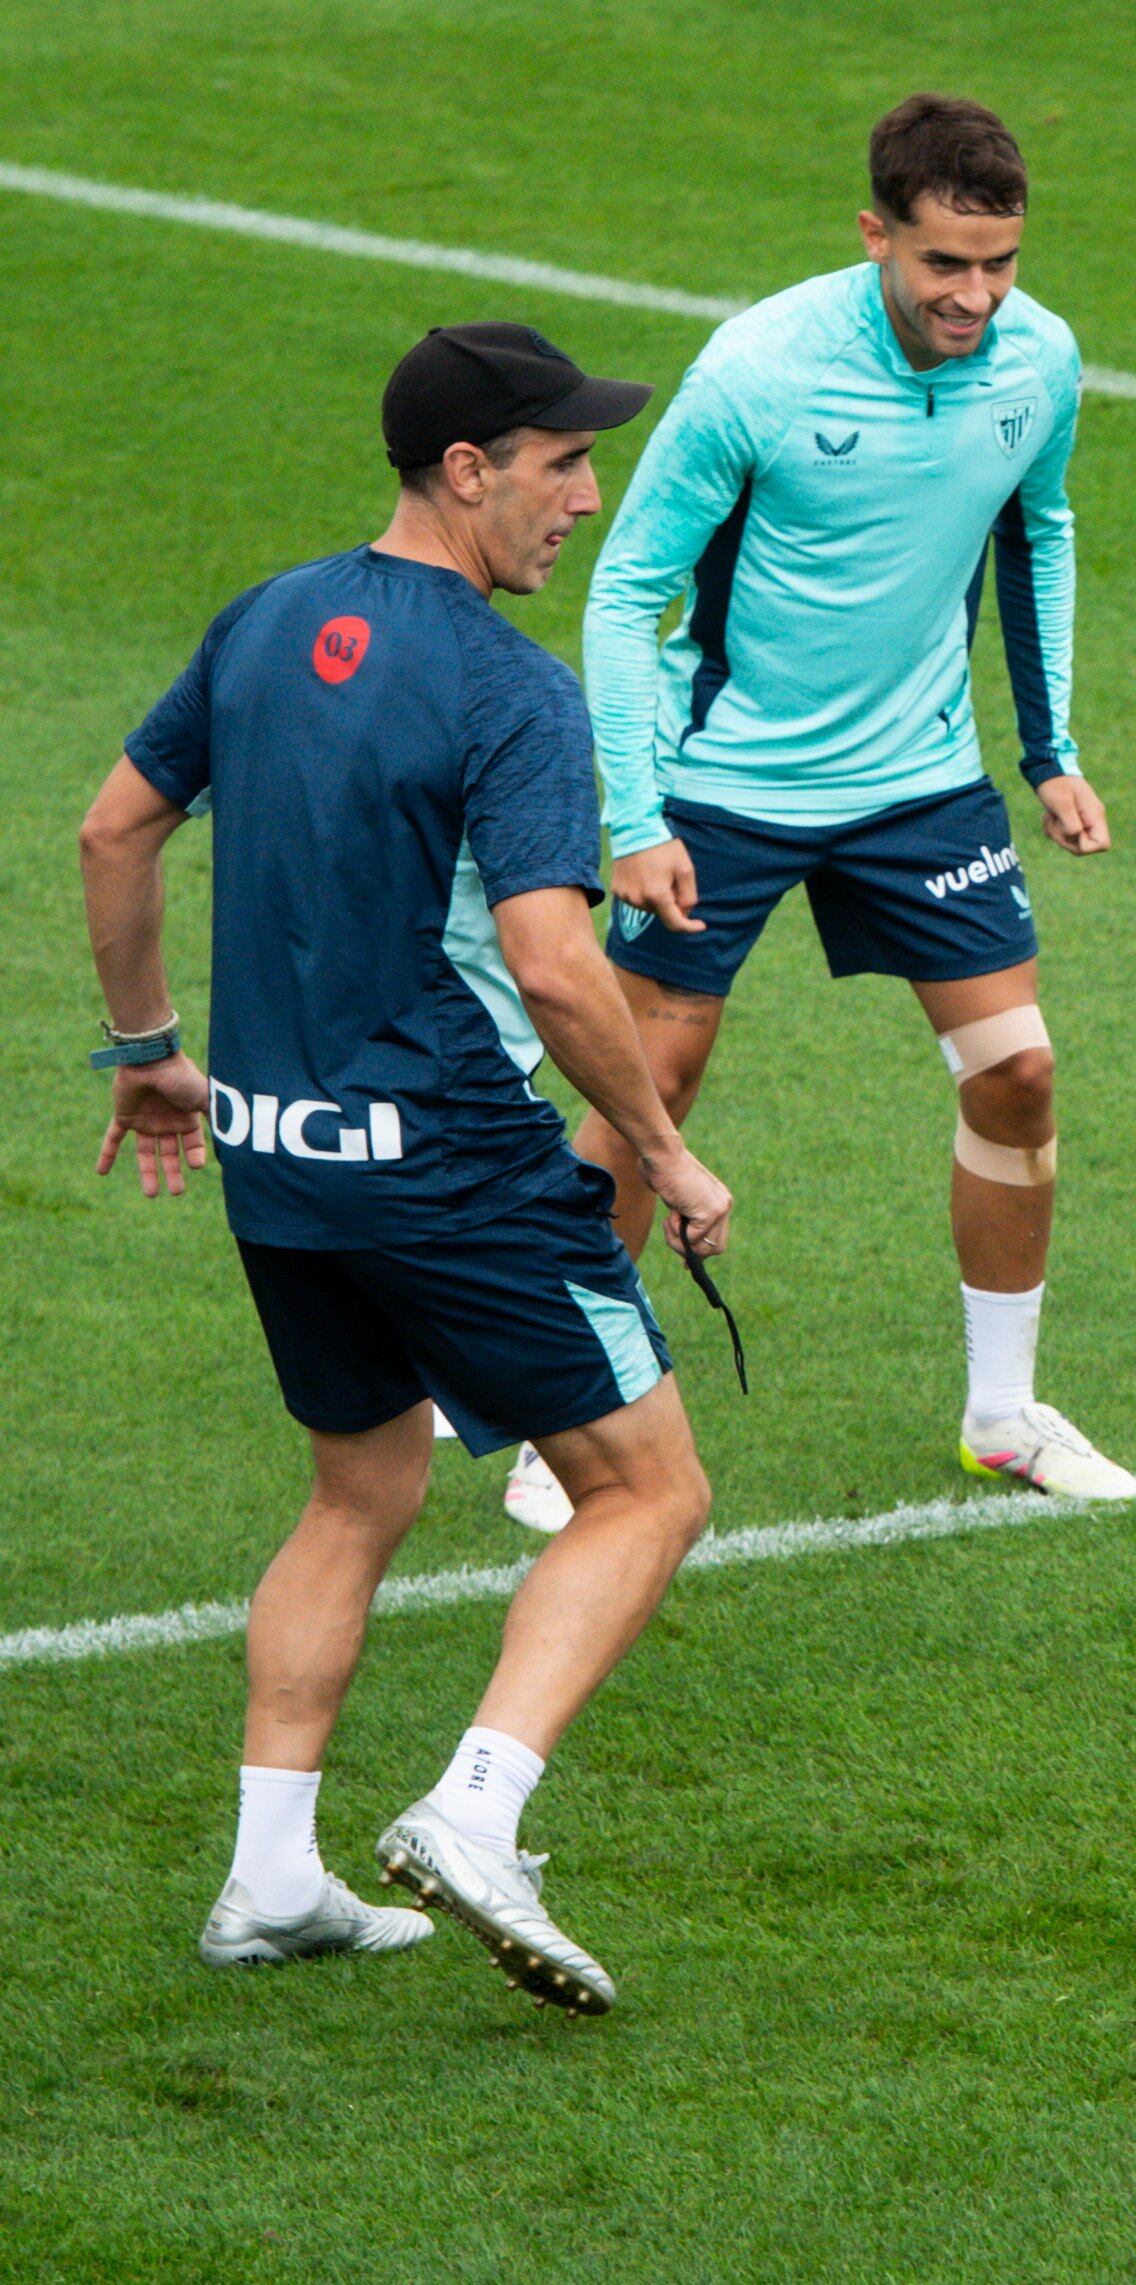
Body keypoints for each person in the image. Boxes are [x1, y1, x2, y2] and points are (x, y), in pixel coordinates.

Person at [81, 322, 730, 2015]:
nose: (585, 498)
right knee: (649, 1489)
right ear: (467, 469)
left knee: (360, 1491)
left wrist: (150, 1051)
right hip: (444, 1153)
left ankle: (270, 1879)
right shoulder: (512, 685)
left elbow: (114, 828)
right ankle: (478, 1808)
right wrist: (661, 1147)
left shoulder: (265, 619)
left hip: (272, 1154)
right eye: (561, 462)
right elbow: (555, 957)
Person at [554, 91, 1125, 1524]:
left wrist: (1049, 749)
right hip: (723, 787)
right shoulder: (758, 372)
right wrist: (636, 812)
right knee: (644, 1099)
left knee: (1020, 1075)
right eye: (945, 264)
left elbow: (1032, 527)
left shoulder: (1037, 360)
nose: (977, 298)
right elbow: (628, 588)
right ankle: (569, 1417)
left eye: (999, 264)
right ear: (877, 234)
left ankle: (1002, 1414)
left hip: (921, 785)